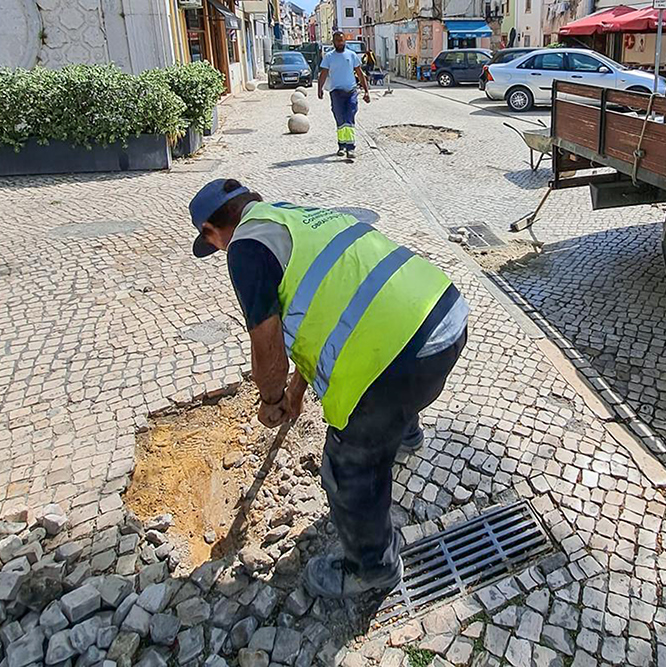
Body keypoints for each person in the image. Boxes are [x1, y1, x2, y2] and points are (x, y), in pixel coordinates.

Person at [187, 179, 469, 599]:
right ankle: (406, 436)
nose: (218, 249)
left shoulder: (246, 247)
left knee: (347, 467)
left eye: (211, 241)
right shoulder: (298, 216)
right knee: (391, 376)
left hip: (403, 360)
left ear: (212, 229)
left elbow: (268, 346)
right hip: (446, 316)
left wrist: (271, 400)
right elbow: (322, 310)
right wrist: (297, 392)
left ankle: (372, 568)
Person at [318, 32, 371, 162]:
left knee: (349, 118)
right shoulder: (329, 57)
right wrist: (319, 89)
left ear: (345, 41)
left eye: (342, 41)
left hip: (351, 92)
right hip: (336, 92)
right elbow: (323, 74)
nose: (340, 43)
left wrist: (366, 91)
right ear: (333, 42)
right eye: (338, 41)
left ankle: (350, 148)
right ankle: (341, 145)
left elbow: (360, 73)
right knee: (340, 119)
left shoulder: (351, 55)